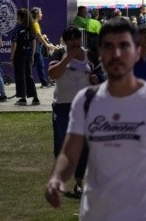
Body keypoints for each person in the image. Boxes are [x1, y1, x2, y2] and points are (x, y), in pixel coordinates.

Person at [45, 18, 146, 221]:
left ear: (137, 52)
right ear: (100, 53)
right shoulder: (86, 101)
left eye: (124, 46)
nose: (116, 54)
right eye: (108, 46)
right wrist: (57, 178)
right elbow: (69, 154)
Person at [48, 25, 100, 198]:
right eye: (70, 38)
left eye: (76, 38)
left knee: (83, 146)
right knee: (61, 145)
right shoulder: (59, 53)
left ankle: (79, 183)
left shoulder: (89, 55)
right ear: (64, 40)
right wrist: (68, 57)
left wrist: (94, 80)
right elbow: (53, 74)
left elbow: (94, 75)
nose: (74, 41)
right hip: (62, 106)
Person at [11, 8, 40, 106]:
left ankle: (23, 98)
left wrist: (12, 57)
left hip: (19, 54)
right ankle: (35, 98)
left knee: (20, 76)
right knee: (29, 75)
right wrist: (32, 54)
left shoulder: (18, 28)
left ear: (20, 17)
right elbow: (34, 42)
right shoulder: (31, 27)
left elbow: (14, 43)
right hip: (28, 54)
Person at [31, 7, 56, 88]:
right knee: (38, 65)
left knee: (38, 65)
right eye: (40, 13)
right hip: (36, 48)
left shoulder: (34, 23)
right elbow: (38, 35)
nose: (42, 14)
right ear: (37, 14)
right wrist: (47, 44)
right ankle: (44, 83)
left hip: (36, 47)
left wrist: (43, 36)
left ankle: (44, 82)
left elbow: (38, 35)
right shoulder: (35, 24)